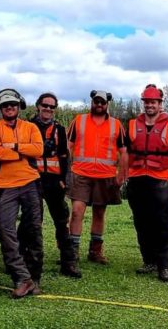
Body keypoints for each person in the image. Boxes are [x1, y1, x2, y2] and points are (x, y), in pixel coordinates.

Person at [0, 88, 44, 298]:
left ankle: (35, 278)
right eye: (5, 105)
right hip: (6, 185)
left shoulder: (31, 127)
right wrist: (22, 150)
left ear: (19, 106)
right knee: (5, 229)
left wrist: (14, 145)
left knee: (33, 231)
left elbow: (38, 150)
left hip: (31, 183)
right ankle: (22, 278)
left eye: (13, 104)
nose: (9, 108)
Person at [124, 84, 168, 284]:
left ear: (160, 104)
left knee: (161, 224)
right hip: (137, 180)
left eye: (153, 102)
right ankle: (148, 261)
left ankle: (164, 267)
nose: (150, 105)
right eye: (147, 102)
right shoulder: (132, 124)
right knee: (141, 223)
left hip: (159, 181)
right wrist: (123, 176)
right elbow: (124, 153)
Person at [66, 90, 127, 277]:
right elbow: (68, 146)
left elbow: (124, 152)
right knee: (77, 211)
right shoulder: (79, 120)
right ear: (92, 102)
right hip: (80, 174)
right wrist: (67, 170)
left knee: (99, 213)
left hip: (105, 175)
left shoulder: (117, 125)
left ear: (107, 103)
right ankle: (72, 251)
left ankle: (95, 251)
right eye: (96, 101)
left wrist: (121, 176)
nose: (99, 105)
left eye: (102, 102)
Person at [25, 92, 74, 276]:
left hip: (54, 182)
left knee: (62, 221)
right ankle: (27, 260)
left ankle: (68, 262)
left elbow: (64, 157)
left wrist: (64, 182)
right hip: (33, 181)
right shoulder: (27, 127)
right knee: (31, 222)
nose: (48, 109)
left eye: (52, 107)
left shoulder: (59, 130)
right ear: (38, 106)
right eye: (45, 105)